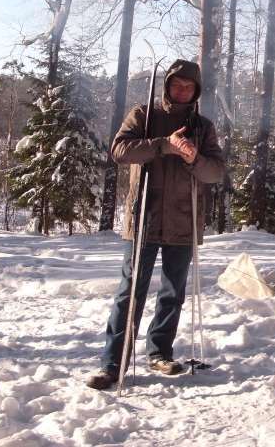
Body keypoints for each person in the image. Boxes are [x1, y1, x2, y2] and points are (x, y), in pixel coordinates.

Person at [86, 59, 225, 390]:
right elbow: (119, 150)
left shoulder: (203, 127)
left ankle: (159, 351)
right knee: (129, 293)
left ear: (196, 91)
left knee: (173, 293)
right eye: (176, 84)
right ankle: (112, 363)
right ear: (166, 85)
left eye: (188, 86)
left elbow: (216, 172)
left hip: (183, 219)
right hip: (144, 217)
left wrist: (193, 158)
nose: (181, 90)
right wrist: (163, 145)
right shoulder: (143, 115)